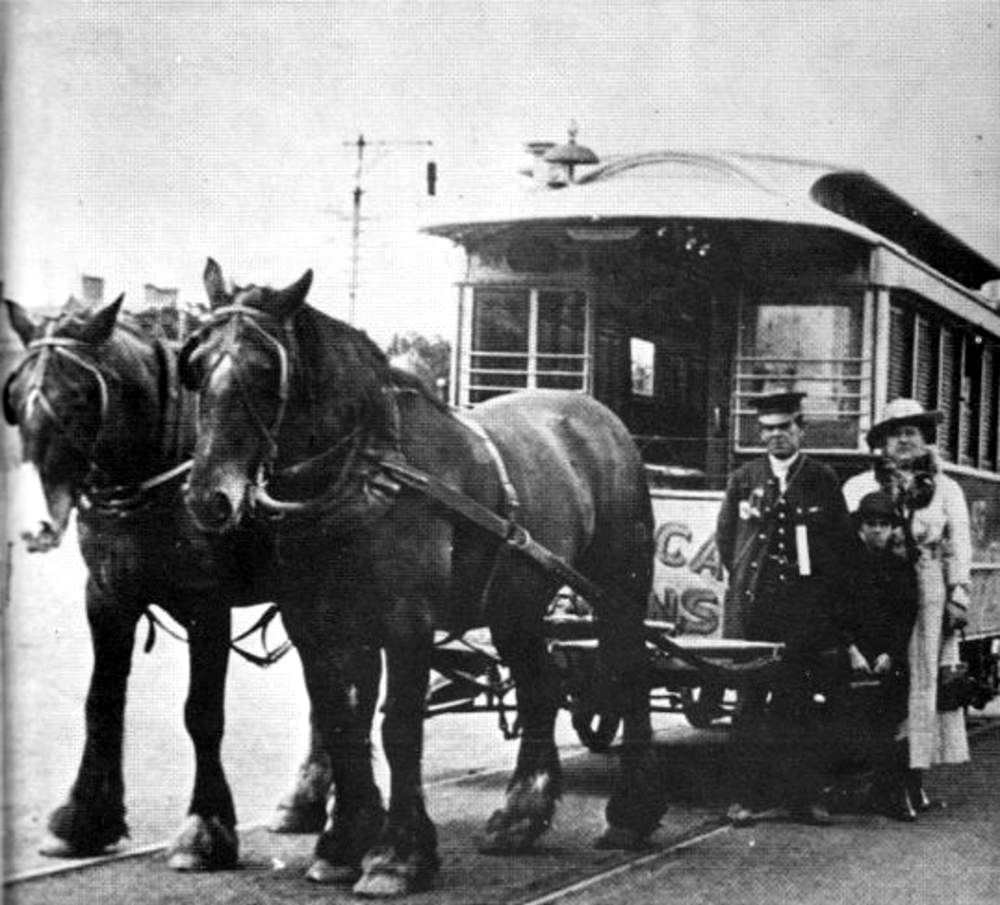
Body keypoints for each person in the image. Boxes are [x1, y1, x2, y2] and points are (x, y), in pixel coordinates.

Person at [716, 391, 853, 826]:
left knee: (797, 706)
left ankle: (803, 798)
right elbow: (726, 541)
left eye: (786, 427)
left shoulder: (822, 479)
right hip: (754, 612)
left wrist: (824, 609)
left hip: (804, 614)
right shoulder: (744, 478)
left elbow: (838, 547)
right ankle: (743, 798)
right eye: (769, 429)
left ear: (800, 429)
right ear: (761, 432)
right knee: (748, 705)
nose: (777, 436)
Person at [842, 398, 972, 818]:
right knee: (881, 681)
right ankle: (879, 779)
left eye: (912, 431)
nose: (903, 439)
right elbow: (846, 544)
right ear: (881, 442)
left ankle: (913, 780)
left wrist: (958, 595)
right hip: (875, 592)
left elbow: (959, 546)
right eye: (895, 433)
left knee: (922, 681)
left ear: (924, 439)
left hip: (928, 587)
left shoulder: (945, 489)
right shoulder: (861, 487)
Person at [839, 490, 919, 819]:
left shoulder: (900, 569)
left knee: (893, 723)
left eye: (883, 525)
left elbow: (905, 616)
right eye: (870, 524)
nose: (876, 531)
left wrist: (891, 653)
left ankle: (891, 794)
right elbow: (834, 609)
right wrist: (851, 649)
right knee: (851, 722)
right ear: (860, 527)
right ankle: (849, 789)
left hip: (887, 657)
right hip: (852, 654)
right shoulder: (844, 565)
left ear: (891, 530)